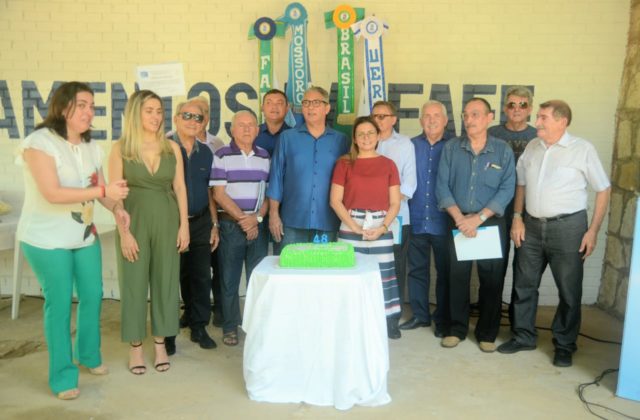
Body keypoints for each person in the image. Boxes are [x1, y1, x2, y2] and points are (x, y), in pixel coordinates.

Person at [16, 81, 129, 400]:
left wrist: (117, 208)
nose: (89, 111)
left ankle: (88, 355)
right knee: (61, 303)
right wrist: (104, 191)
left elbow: (100, 189)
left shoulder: (93, 147)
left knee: (93, 294)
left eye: (92, 106)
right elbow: (52, 193)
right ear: (62, 106)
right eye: (82, 105)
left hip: (83, 234)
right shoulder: (39, 142)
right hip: (46, 238)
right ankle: (63, 376)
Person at [497, 100, 611, 367]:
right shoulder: (532, 147)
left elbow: (603, 188)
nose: (536, 122)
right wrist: (517, 218)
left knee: (569, 291)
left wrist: (593, 230)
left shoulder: (582, 149)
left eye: (543, 117)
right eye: (538, 116)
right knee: (523, 284)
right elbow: (521, 184)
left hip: (569, 228)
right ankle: (523, 336)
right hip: (531, 227)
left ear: (562, 121)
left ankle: (564, 344)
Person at [109, 90, 189, 375]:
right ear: (135, 113)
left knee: (166, 281)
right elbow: (114, 195)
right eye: (149, 111)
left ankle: (159, 344)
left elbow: (180, 187)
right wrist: (124, 233)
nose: (156, 116)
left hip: (167, 220)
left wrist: (184, 225)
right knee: (133, 281)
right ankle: (135, 347)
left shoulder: (172, 147)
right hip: (134, 221)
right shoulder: (121, 148)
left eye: (159, 111)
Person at [436, 97, 515, 352]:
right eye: (466, 115)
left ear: (489, 117)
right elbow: (442, 186)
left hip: (490, 222)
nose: (469, 120)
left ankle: (487, 333)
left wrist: (479, 218)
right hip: (458, 221)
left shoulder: (502, 150)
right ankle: (456, 329)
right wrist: (461, 220)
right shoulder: (452, 148)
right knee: (457, 277)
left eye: (475, 114)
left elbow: (507, 188)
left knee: (491, 279)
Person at [330, 116, 402, 339]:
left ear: (378, 136)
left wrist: (383, 227)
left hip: (380, 225)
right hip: (351, 223)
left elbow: (395, 202)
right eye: (360, 134)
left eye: (370, 133)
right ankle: (349, 320)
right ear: (354, 138)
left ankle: (389, 320)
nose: (366, 137)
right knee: (349, 275)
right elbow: (335, 200)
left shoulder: (389, 165)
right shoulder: (344, 164)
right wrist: (354, 226)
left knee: (384, 274)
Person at [267, 86, 350, 254]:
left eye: (316, 103)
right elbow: (276, 178)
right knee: (289, 268)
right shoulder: (287, 138)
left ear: (327, 108)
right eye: (306, 103)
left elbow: (349, 181)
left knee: (323, 268)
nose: (310, 107)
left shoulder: (341, 141)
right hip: (291, 221)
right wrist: (273, 214)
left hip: (328, 221)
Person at [211, 110, 270, 346]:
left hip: (257, 227)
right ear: (232, 129)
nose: (246, 129)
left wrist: (257, 218)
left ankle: (256, 326)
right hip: (230, 226)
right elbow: (218, 194)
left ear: (257, 130)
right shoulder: (221, 155)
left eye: (251, 125)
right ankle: (230, 327)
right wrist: (244, 220)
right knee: (229, 279)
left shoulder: (264, 156)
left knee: (258, 279)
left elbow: (268, 194)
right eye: (241, 125)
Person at [165, 100, 219, 355]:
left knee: (200, 276)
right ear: (176, 118)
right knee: (170, 277)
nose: (192, 121)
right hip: (170, 223)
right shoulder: (163, 149)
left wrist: (214, 224)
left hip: (200, 222)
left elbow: (210, 191)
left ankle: (198, 326)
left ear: (203, 123)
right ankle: (167, 333)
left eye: (198, 118)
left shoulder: (206, 153)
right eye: (186, 115)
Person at [487, 86, 538, 323]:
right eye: (512, 104)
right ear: (505, 108)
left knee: (524, 269)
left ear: (530, 108)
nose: (517, 109)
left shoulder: (537, 136)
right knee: (493, 266)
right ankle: (491, 318)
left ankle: (519, 324)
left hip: (527, 212)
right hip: (496, 208)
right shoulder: (492, 133)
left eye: (522, 105)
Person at [402, 100, 450, 337]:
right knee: (417, 270)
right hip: (417, 218)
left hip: (445, 221)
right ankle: (420, 315)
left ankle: (442, 319)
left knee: (445, 272)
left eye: (436, 115)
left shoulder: (454, 146)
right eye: (427, 116)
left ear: (445, 120)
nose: (431, 120)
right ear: (421, 121)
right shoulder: (410, 146)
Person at [371, 101, 417, 314]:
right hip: (366, 216)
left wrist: (386, 204)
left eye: (382, 116)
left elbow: (409, 184)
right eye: (374, 116)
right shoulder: (364, 141)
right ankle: (371, 312)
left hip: (397, 216)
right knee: (369, 264)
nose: (377, 120)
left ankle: (393, 316)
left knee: (395, 266)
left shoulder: (405, 144)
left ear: (393, 119)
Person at [255, 88, 291, 156]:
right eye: (269, 103)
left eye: (279, 103)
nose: (274, 106)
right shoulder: (252, 134)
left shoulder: (295, 136)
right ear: (262, 107)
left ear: (287, 108)